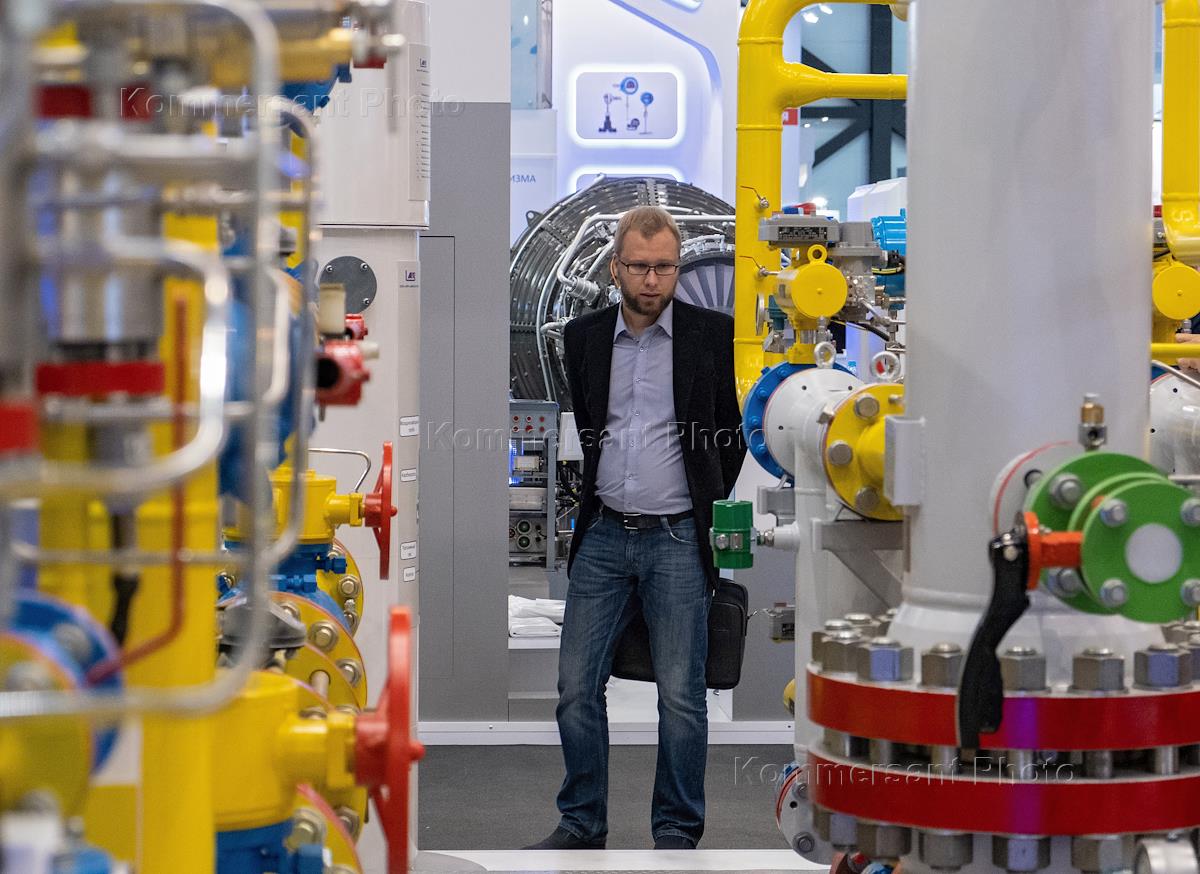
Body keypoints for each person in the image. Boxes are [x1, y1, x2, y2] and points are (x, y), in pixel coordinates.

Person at [524, 206, 746, 851]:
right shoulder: (584, 338)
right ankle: (581, 822)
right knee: (575, 689)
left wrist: (702, 500)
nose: (653, 280)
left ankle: (676, 830)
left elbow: (729, 435)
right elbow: (591, 424)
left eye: (665, 267)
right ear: (616, 268)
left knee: (682, 697)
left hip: (677, 539)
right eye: (641, 267)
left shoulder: (712, 335)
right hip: (603, 536)